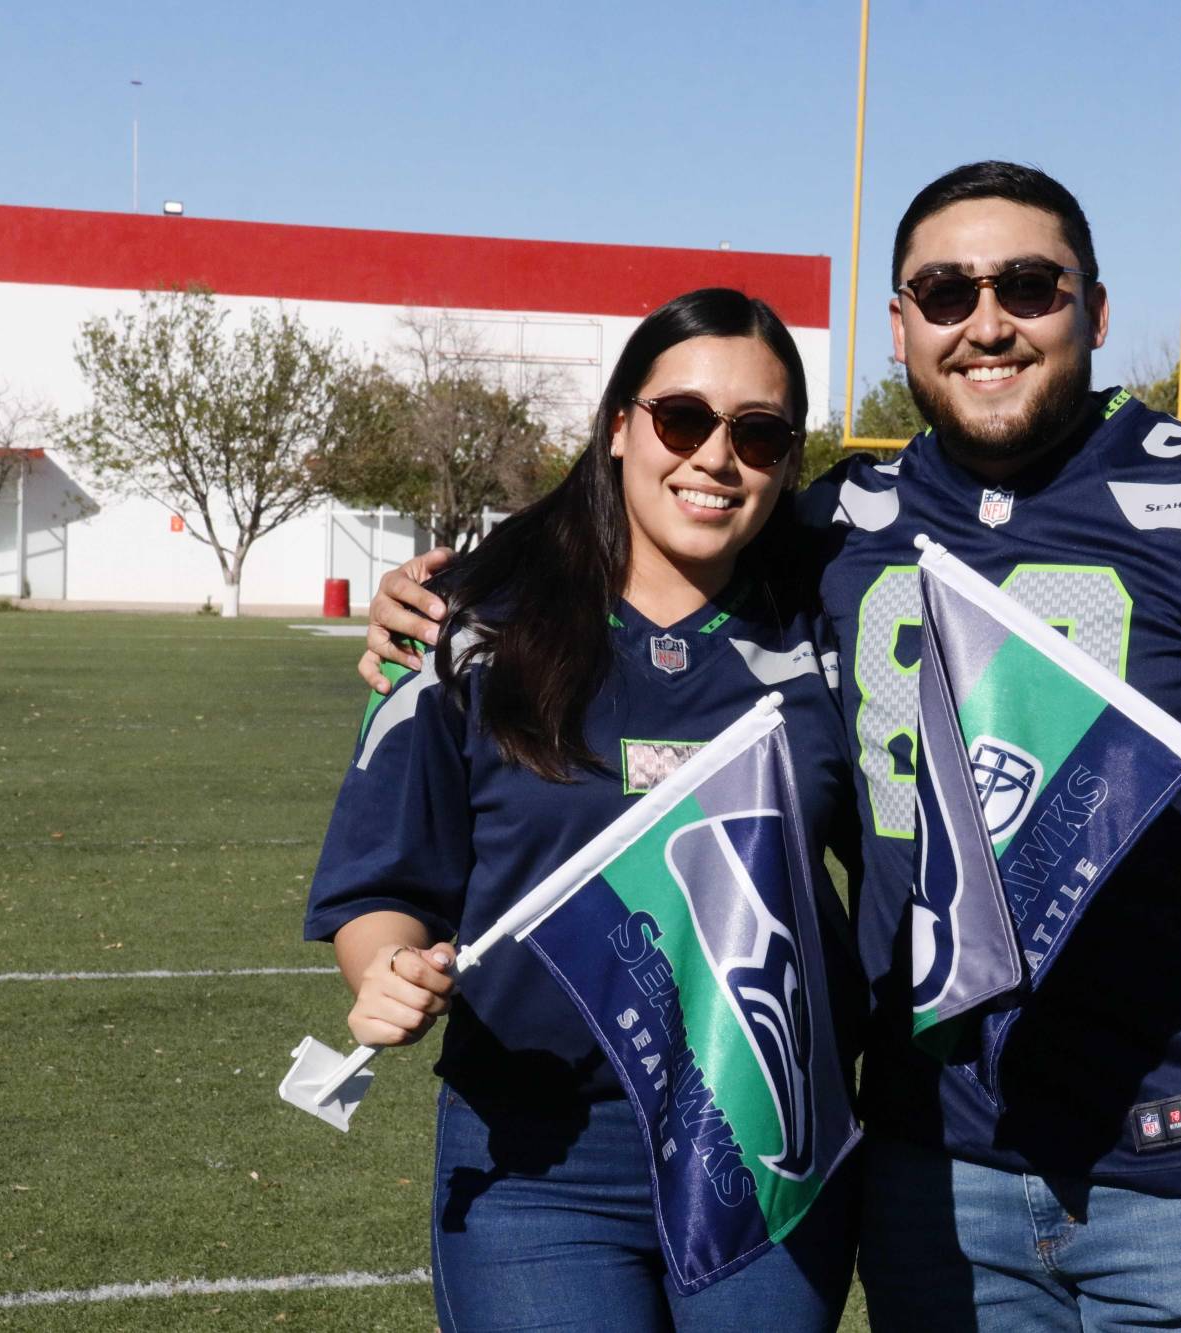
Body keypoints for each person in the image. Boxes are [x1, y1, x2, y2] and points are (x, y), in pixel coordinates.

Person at [366, 163, 1181, 1331]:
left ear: (1092, 306)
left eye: (1028, 286)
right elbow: (652, 541)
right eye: (945, 293)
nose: (987, 322)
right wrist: (451, 598)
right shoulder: (834, 524)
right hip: (933, 1164)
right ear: (900, 325)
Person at [309, 289, 860, 1332]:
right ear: (617, 425)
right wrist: (382, 968)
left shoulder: (829, 628)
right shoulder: (465, 623)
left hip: (766, 1133)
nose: (714, 458)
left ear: (787, 461)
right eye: (682, 419)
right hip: (538, 1155)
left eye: (758, 433)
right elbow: (381, 883)